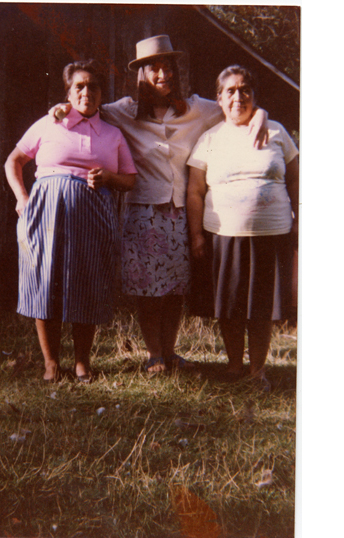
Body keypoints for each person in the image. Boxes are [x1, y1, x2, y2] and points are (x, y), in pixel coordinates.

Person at [51, 35, 268, 374]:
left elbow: (235, 107)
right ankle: (154, 355)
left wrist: (261, 115)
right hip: (144, 212)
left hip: (181, 212)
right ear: (142, 74)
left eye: (168, 68)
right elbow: (86, 107)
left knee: (175, 288)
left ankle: (170, 352)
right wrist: (62, 108)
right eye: (154, 69)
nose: (163, 75)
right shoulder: (122, 112)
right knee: (148, 289)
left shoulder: (198, 109)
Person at [4, 60, 137, 383]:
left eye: (93, 86)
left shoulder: (112, 133)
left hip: (93, 215)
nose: (86, 92)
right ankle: (51, 362)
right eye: (79, 86)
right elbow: (14, 161)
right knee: (44, 281)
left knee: (87, 283)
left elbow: (130, 180)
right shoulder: (50, 124)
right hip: (46, 213)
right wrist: (23, 199)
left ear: (102, 93)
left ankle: (81, 362)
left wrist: (108, 177)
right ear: (68, 92)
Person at [186, 65, 299, 391]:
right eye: (231, 91)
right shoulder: (210, 138)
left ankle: (257, 370)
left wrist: (300, 220)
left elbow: (295, 178)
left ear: (254, 95)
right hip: (224, 235)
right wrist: (196, 235)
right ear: (219, 99)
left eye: (245, 89)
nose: (239, 96)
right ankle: (235, 366)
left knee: (261, 307)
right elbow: (195, 190)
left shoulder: (276, 131)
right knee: (231, 305)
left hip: (271, 233)